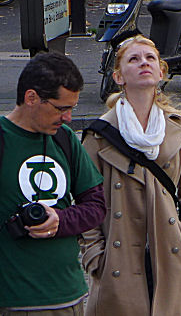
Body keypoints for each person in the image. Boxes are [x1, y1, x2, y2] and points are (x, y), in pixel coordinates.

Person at [80, 36, 181, 315]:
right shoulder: (99, 135)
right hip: (118, 258)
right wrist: (95, 255)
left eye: (150, 58)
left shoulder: (177, 128)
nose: (143, 64)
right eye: (133, 59)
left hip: (171, 252)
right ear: (118, 76)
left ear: (161, 72)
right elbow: (84, 203)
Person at [1, 53, 105, 315]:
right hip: (13, 301)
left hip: (68, 297)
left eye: (72, 108)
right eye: (61, 109)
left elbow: (96, 205)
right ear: (31, 98)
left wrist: (60, 220)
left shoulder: (64, 139)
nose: (68, 118)